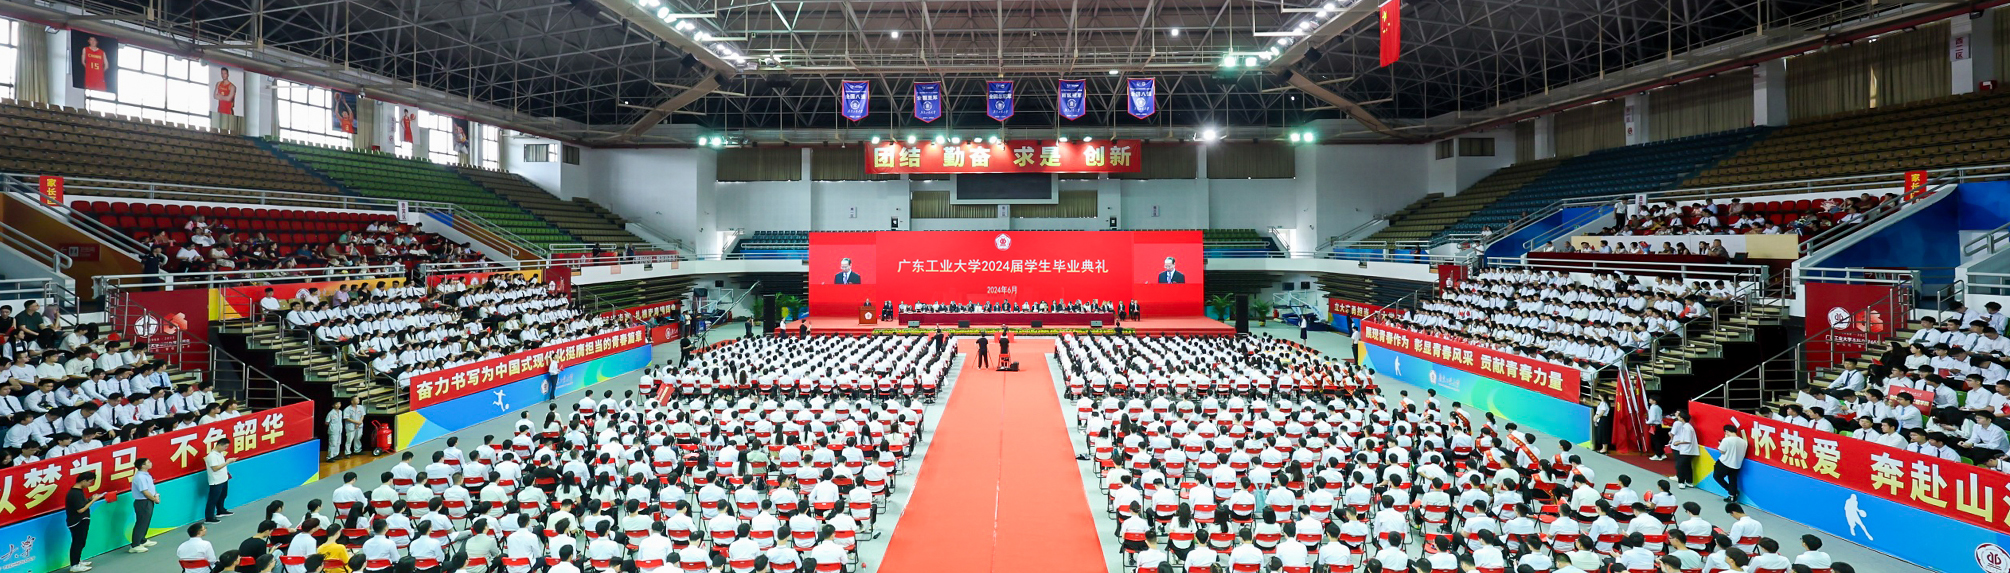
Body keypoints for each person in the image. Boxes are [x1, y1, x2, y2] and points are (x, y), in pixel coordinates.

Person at [66, 470, 103, 571]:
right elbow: (80, 510)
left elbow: (82, 503)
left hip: (81, 521)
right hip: (77, 522)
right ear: (83, 481)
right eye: (90, 482)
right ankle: (74, 565)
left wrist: (90, 499)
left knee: (81, 542)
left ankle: (77, 561)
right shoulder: (75, 493)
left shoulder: (78, 491)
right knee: (77, 543)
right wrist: (94, 501)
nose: (90, 484)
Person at [129, 457, 161, 552]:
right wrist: (154, 499)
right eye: (148, 462)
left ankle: (142, 540)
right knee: (141, 523)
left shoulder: (147, 475)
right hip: (143, 502)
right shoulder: (140, 477)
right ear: (143, 465)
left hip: (148, 501)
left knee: (146, 522)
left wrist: (156, 495)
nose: (151, 463)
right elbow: (145, 492)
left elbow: (151, 488)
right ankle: (135, 545)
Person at [1714, 424, 1748, 502]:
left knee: (1717, 476)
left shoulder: (1726, 440)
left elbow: (1722, 451)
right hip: (1736, 465)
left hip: (1724, 463)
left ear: (1726, 431)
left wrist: (1721, 443)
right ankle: (1732, 496)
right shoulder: (1744, 442)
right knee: (1733, 480)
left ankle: (1732, 491)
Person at [1666, 411, 1699, 489]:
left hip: (1686, 450)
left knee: (1680, 466)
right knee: (1687, 466)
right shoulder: (1687, 426)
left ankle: (1681, 482)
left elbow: (1687, 440)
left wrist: (1678, 442)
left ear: (1682, 418)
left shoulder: (1686, 428)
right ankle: (1689, 481)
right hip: (1688, 450)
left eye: (1679, 416)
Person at [205, 437, 235, 523]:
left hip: (223, 479)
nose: (226, 448)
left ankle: (220, 510)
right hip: (216, 481)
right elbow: (215, 468)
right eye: (225, 446)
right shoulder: (212, 456)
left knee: (223, 496)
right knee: (213, 499)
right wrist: (227, 462)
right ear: (219, 445)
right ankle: (209, 518)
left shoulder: (220, 453)